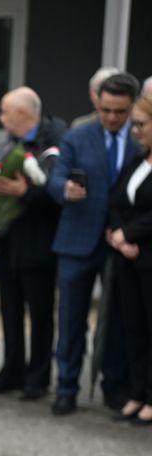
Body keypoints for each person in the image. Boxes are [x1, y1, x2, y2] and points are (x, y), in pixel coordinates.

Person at [47, 72, 141, 415]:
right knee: (71, 318)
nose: (112, 117)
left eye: (120, 111)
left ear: (131, 107)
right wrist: (65, 190)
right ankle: (67, 387)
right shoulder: (78, 135)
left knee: (116, 319)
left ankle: (114, 387)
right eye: (106, 110)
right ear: (96, 103)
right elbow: (55, 176)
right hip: (77, 240)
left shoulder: (140, 138)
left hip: (120, 242)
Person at [0, 87, 65, 400]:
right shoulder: (11, 145)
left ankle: (37, 378)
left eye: (4, 112)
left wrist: (24, 192)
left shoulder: (54, 143)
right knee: (10, 311)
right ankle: (11, 373)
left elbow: (55, 193)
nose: (0, 118)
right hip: (9, 244)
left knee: (40, 314)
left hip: (39, 244)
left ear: (23, 114)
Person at [108, 92, 152, 425]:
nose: (135, 131)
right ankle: (138, 393)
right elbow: (118, 203)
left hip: (148, 257)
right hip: (128, 261)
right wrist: (118, 235)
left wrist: (130, 234)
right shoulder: (138, 161)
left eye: (141, 124)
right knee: (133, 329)